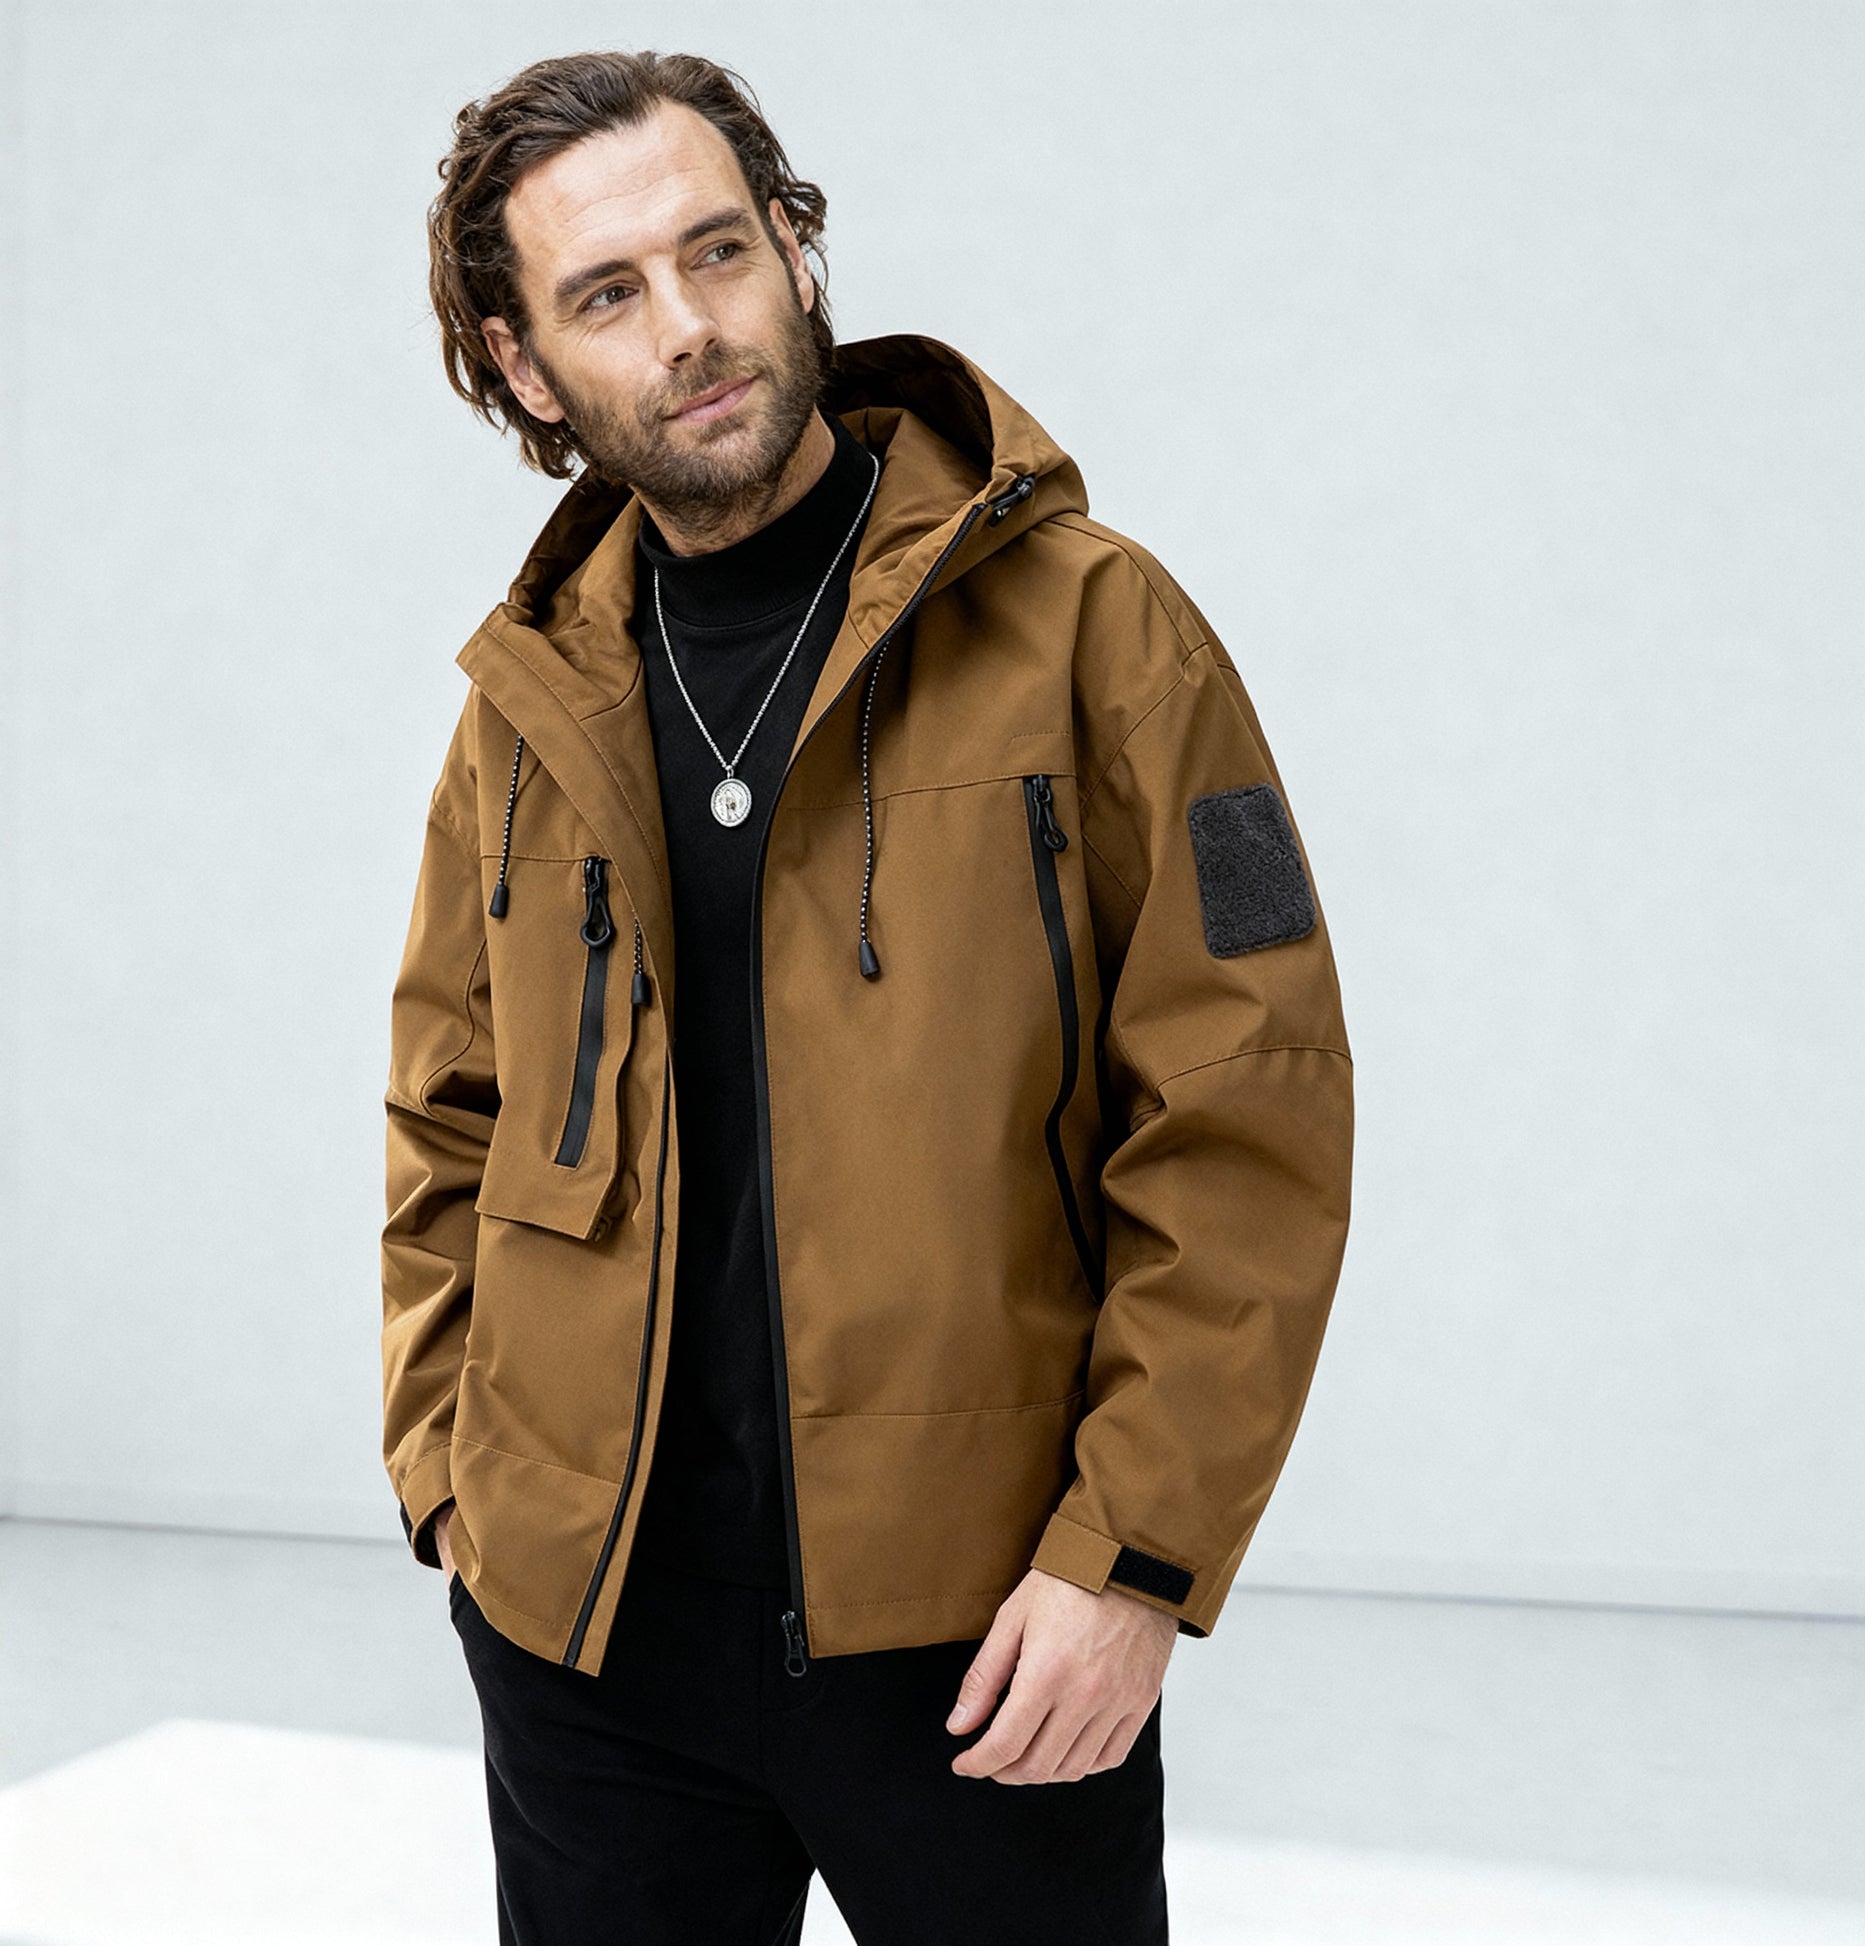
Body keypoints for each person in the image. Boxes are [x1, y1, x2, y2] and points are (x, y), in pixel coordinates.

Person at [380, 44, 1353, 1946]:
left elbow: (1252, 1104)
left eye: (716, 251)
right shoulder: (530, 706)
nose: (689, 325)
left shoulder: (1098, 631)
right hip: (590, 1651)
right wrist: (457, 1490)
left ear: (795, 253)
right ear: (525, 366)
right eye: (606, 293)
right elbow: (447, 1117)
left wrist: (1132, 1561)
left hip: (985, 1637)